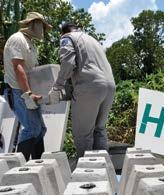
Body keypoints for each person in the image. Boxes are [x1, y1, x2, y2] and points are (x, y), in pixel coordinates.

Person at [49, 22, 116, 158]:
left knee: (83, 134)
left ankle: (86, 174)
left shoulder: (67, 38)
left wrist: (57, 87)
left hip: (89, 87)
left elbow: (68, 63)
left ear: (64, 32)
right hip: (110, 86)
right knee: (99, 129)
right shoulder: (93, 40)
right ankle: (104, 170)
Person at [3, 12, 52, 161]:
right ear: (33, 24)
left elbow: (31, 71)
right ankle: (17, 168)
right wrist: (28, 93)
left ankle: (38, 164)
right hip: (18, 91)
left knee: (40, 129)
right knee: (32, 129)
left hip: (27, 91)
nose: (43, 29)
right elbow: (18, 67)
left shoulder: (29, 42)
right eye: (41, 25)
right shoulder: (17, 39)